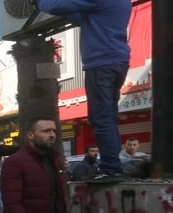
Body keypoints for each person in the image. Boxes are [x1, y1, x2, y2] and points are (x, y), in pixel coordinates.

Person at [38, 0, 131, 182]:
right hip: (118, 61)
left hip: (100, 63)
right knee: (109, 118)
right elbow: (82, 17)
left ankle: (111, 169)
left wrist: (40, 2)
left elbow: (55, 6)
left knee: (101, 118)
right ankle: (112, 166)